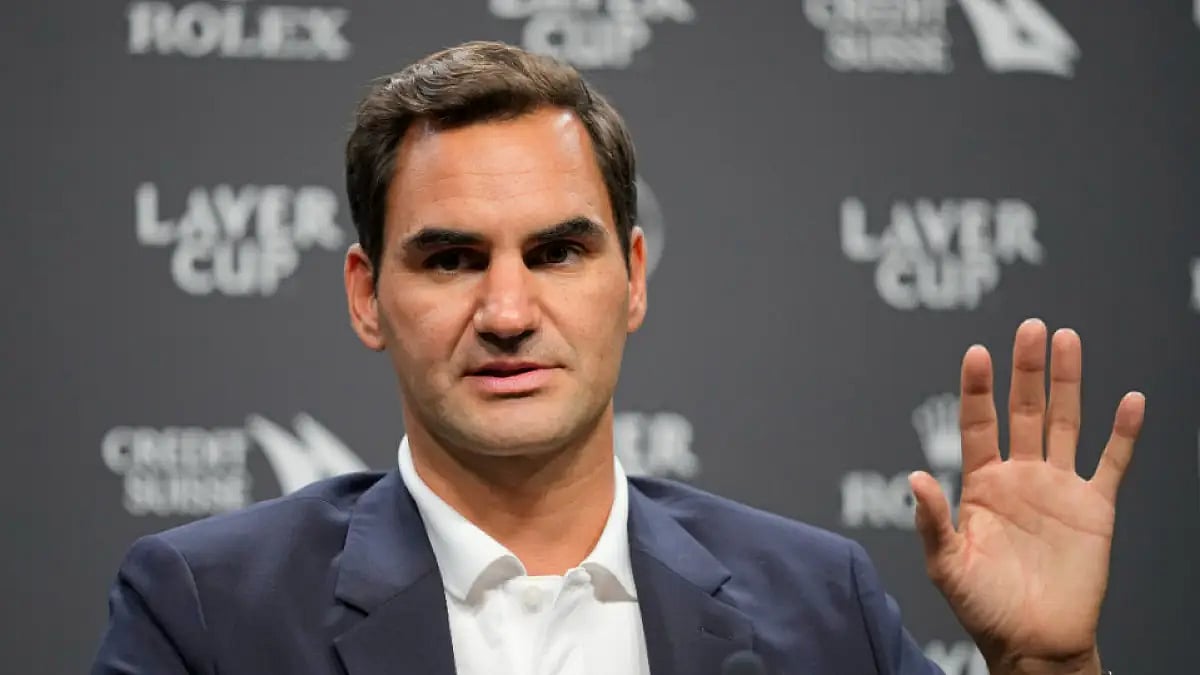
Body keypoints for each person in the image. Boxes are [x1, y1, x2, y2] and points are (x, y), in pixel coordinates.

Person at [90, 41, 1145, 675]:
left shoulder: (823, 607)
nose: (508, 310)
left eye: (557, 251)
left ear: (633, 277)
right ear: (369, 296)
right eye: (452, 260)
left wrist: (1051, 668)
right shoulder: (207, 611)